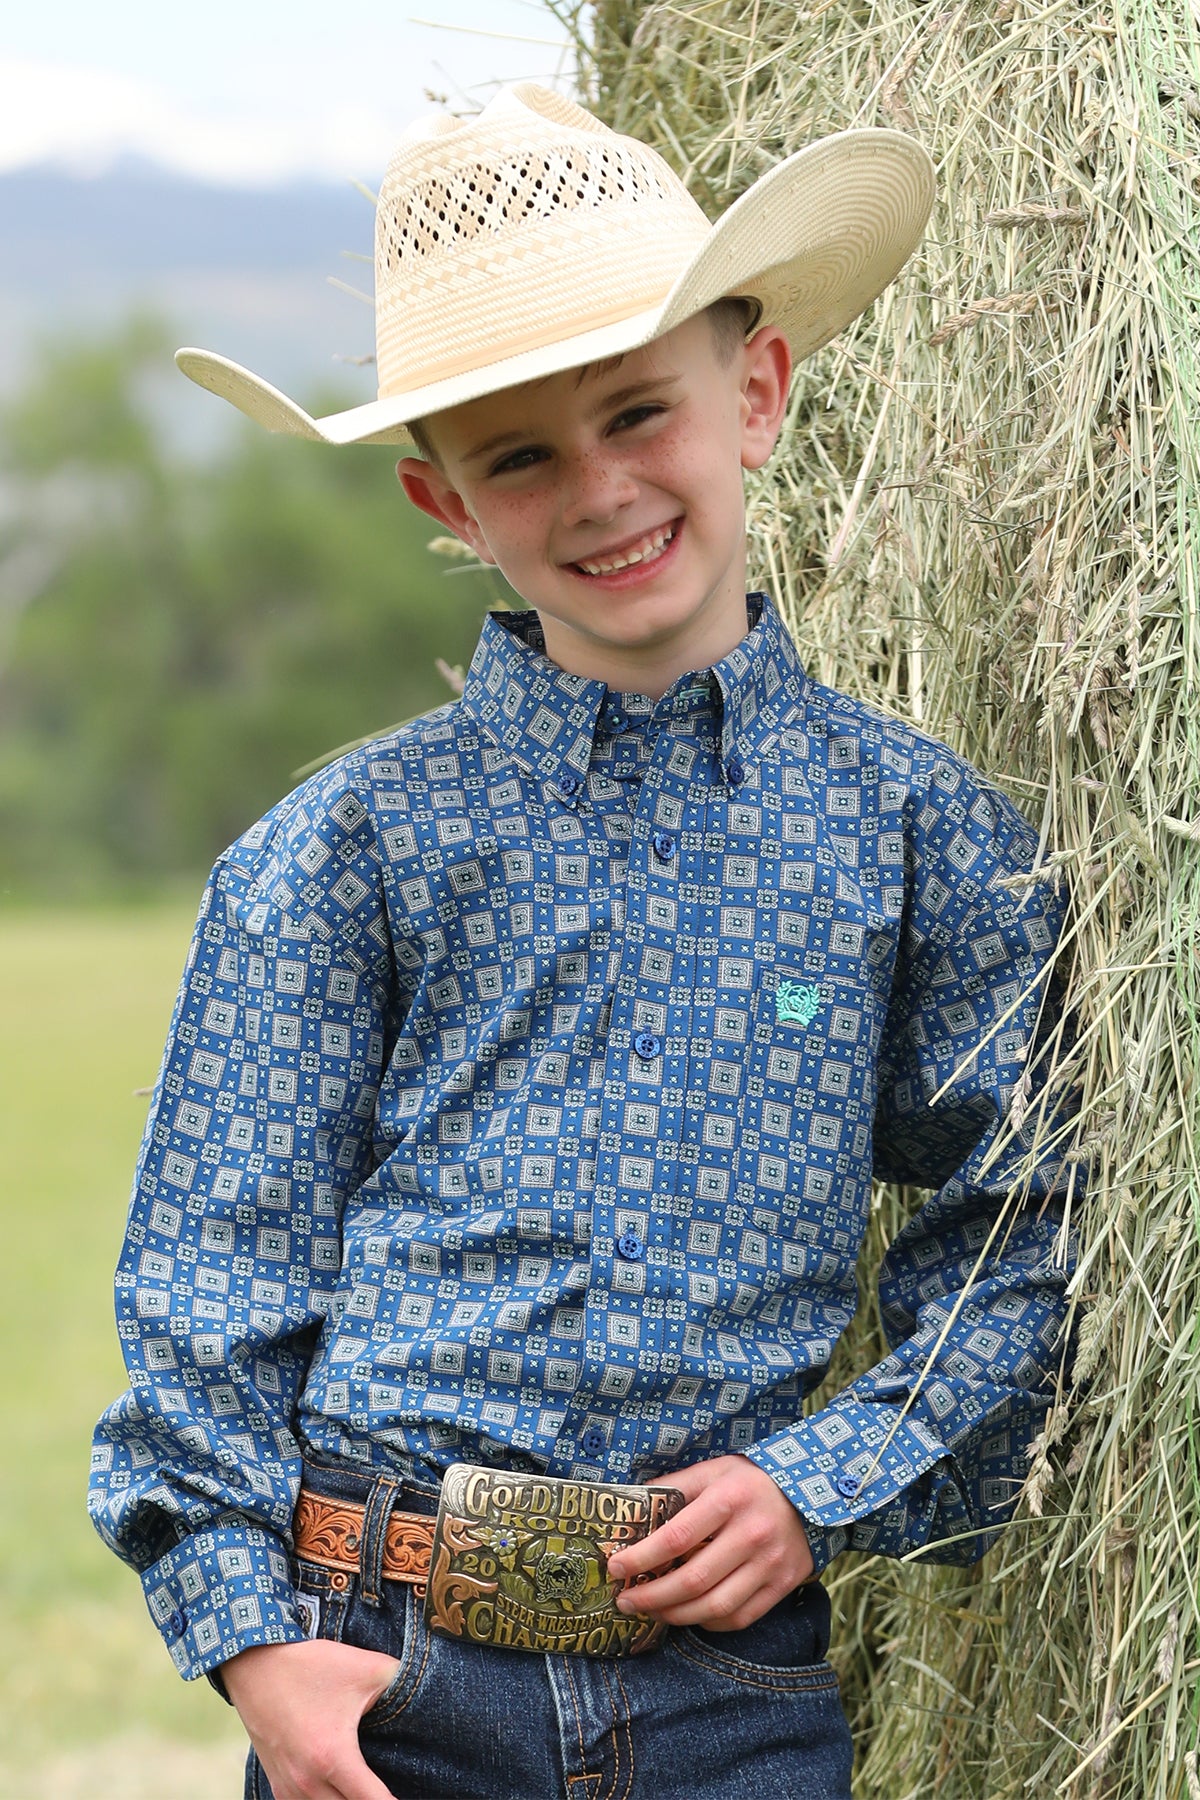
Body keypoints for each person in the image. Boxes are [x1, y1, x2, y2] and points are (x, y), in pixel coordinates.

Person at [89, 84, 1077, 1800]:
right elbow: (210, 1282)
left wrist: (826, 1479)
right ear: (446, 501)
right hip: (392, 1672)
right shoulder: (342, 852)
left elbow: (1020, 1231)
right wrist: (253, 1640)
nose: (603, 490)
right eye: (522, 455)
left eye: (640, 414)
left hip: (730, 1703)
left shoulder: (922, 840)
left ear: (753, 393)